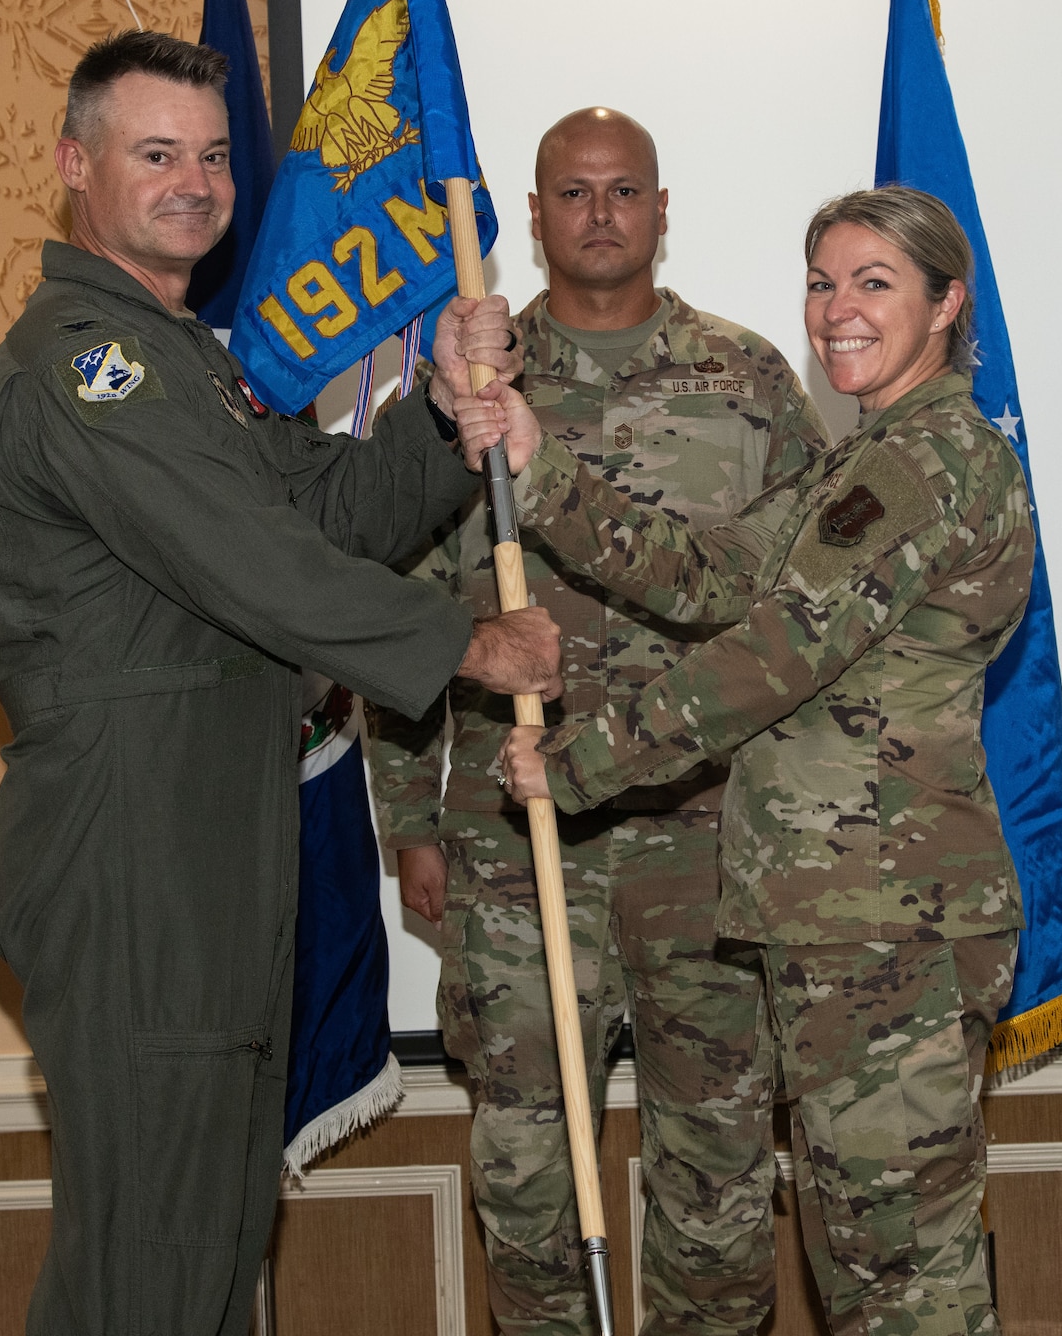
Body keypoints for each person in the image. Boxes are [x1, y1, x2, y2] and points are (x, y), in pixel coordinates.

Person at [0, 30, 562, 1336]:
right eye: (156, 153)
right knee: (155, 1281)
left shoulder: (181, 362)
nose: (197, 182)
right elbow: (251, 562)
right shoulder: (85, 368)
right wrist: (467, 644)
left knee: (200, 1269)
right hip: (138, 866)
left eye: (215, 155)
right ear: (76, 166)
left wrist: (447, 412)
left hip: (206, 856)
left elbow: (318, 513)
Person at [467, 186, 1034, 1336]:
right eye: (821, 281)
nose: (835, 311)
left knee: (904, 1286)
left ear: (945, 304)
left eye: (873, 283)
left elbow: (772, 654)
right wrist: (539, 467)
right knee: (864, 1271)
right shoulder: (866, 457)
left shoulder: (929, 463)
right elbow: (710, 570)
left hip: (891, 927)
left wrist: (573, 766)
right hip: (832, 923)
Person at [369, 107, 827, 1335]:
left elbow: (796, 615)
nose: (600, 214)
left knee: (718, 1168)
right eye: (572, 194)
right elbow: (399, 615)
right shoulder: (466, 393)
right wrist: (410, 819)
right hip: (517, 845)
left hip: (706, 841)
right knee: (524, 1168)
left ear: (662, 208)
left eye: (624, 191)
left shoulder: (745, 378)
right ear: (531, 216)